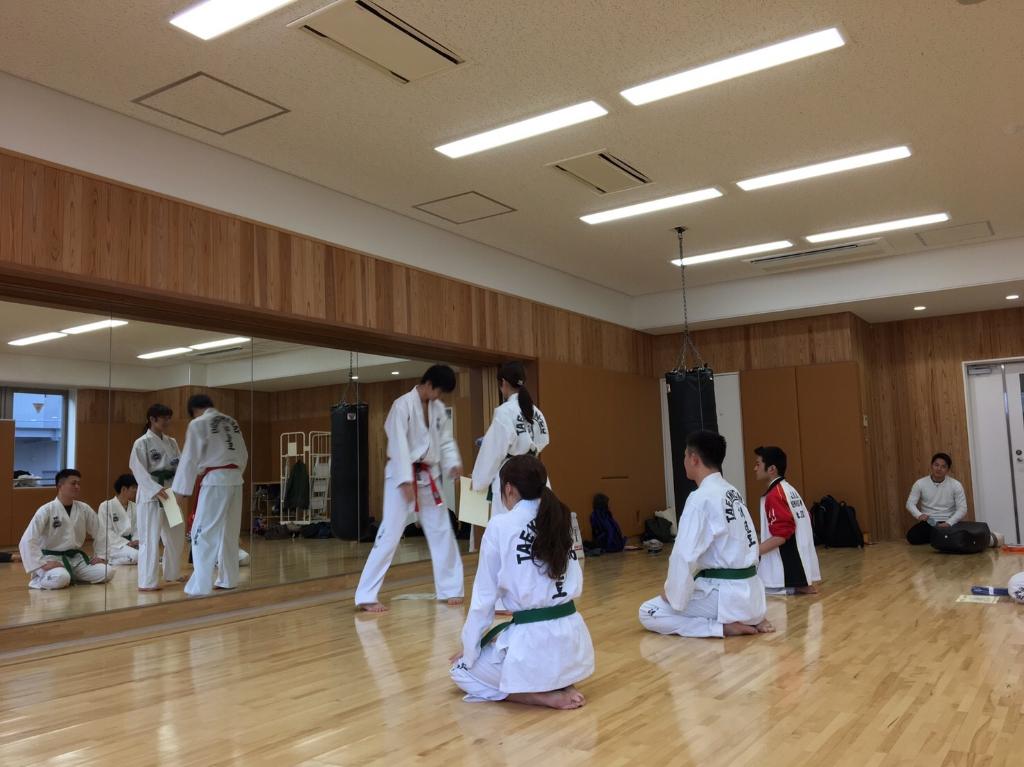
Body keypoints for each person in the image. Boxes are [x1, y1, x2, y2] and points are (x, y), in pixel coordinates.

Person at [450, 455, 593, 709]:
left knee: (460, 670)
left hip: (534, 646)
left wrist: (471, 649)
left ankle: (537, 696)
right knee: (507, 643)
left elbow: (484, 599)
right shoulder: (561, 518)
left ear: (508, 489)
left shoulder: (501, 525)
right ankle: (561, 682)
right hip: (573, 643)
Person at [639, 430, 773, 638]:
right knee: (694, 589)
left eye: (685, 456)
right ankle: (748, 618)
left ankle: (720, 628)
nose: (684, 461)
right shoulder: (732, 492)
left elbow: (683, 555)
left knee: (649, 611)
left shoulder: (701, 498)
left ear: (694, 459)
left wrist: (674, 593)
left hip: (728, 596)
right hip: (753, 595)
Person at [355, 365, 464, 612]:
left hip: (428, 474)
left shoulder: (437, 409)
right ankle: (366, 595)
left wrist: (452, 463)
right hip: (400, 475)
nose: (439, 397)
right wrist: (405, 480)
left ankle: (450, 588)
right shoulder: (402, 405)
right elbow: (398, 444)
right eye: (439, 391)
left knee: (442, 530)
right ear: (429, 384)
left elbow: (445, 440)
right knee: (390, 533)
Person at [172, 394, 249, 597]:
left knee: (202, 533)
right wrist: (235, 475)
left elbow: (189, 459)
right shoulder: (231, 422)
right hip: (236, 480)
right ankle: (228, 579)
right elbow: (243, 453)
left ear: (194, 411)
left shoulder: (198, 423)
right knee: (229, 533)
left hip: (215, 481)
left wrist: (179, 493)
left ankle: (200, 586)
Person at [471, 361, 550, 515]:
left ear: (504, 383)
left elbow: (493, 452)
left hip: (512, 480)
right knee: (536, 524)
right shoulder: (537, 412)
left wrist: (478, 481)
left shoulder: (504, 411)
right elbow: (542, 441)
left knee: (509, 526)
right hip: (536, 475)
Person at [17, 469, 115, 590]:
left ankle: (72, 575)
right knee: (61, 577)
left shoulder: (84, 509)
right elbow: (27, 539)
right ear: (60, 486)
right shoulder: (46, 510)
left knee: (107, 572)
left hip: (76, 560)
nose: (77, 486)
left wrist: (101, 556)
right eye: (73, 483)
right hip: (52, 559)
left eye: (78, 483)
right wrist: (41, 564)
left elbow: (100, 532)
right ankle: (40, 579)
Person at [130, 403, 185, 591]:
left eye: (169, 418)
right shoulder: (142, 443)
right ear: (152, 419)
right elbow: (137, 468)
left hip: (169, 493)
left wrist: (180, 490)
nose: (167, 422)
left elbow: (180, 467)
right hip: (151, 495)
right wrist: (154, 488)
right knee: (150, 538)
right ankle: (147, 581)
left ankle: (172, 573)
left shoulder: (172, 442)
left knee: (176, 535)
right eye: (164, 418)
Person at [752, 446, 820, 595]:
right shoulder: (789, 489)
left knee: (755, 591)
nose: (754, 468)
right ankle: (800, 584)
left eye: (758, 464)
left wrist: (752, 552)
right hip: (800, 566)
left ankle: (795, 585)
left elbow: (781, 536)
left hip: (788, 569)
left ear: (772, 469)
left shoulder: (775, 495)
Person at [905, 452, 968, 545]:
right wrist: (919, 515)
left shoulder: (956, 485)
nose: (939, 469)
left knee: (961, 537)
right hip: (930, 522)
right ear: (931, 466)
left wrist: (949, 523)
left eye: (943, 466)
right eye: (936, 465)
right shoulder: (920, 483)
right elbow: (910, 504)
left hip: (949, 521)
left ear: (948, 469)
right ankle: (941, 538)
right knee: (912, 537)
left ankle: (939, 538)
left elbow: (962, 509)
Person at [96, 474, 140, 566]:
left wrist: (136, 541)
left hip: (132, 543)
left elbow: (137, 528)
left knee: (149, 552)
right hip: (113, 545)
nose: (136, 490)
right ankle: (109, 561)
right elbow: (106, 531)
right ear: (124, 489)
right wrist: (127, 543)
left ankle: (111, 560)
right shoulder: (105, 506)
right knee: (137, 555)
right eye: (134, 488)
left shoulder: (135, 506)